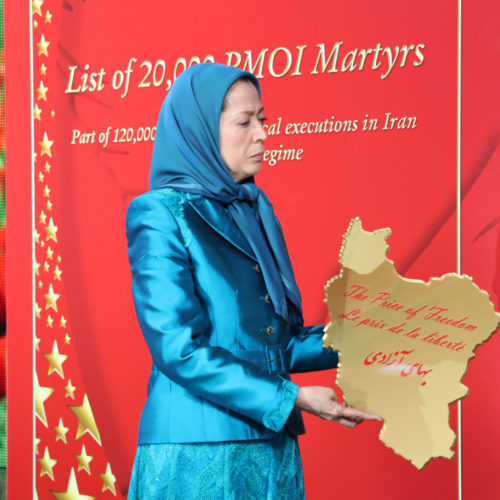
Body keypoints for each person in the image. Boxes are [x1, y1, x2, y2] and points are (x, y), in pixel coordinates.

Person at [126, 62, 379, 499]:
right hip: (198, 452)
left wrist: (367, 338)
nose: (263, 134)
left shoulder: (254, 209)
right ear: (202, 130)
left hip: (271, 448)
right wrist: (293, 400)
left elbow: (273, 344)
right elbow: (178, 349)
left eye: (262, 119)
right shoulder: (159, 212)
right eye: (245, 122)